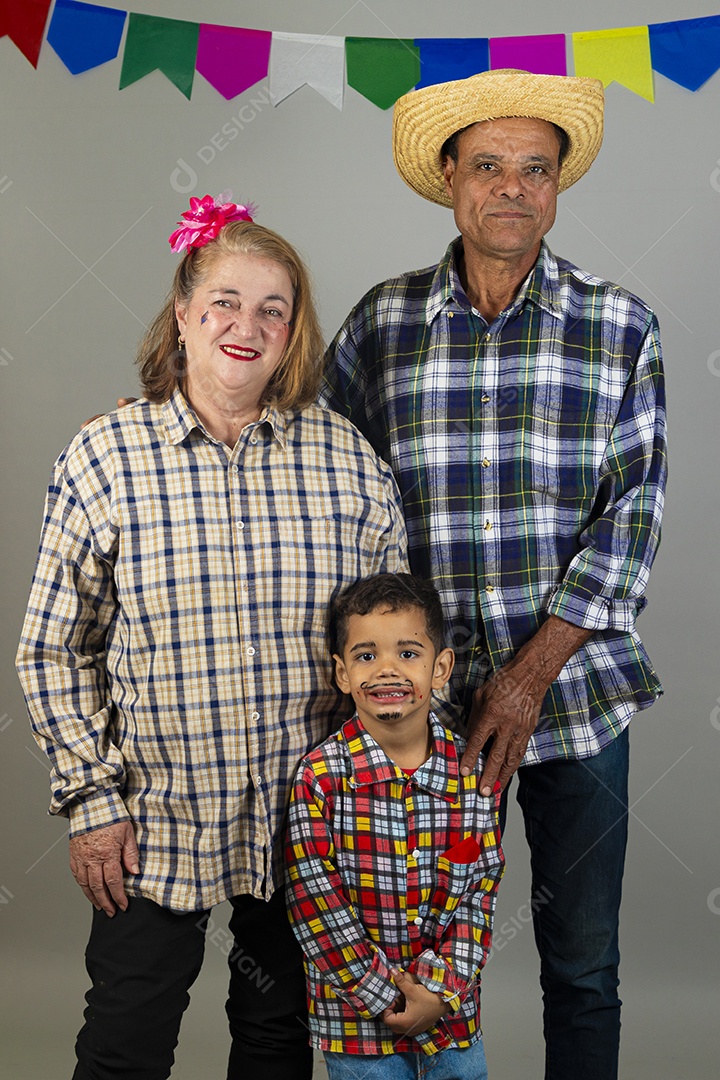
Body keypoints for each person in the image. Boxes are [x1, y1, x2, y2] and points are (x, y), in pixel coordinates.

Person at [321, 71, 667, 1080]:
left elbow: (633, 515)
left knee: (583, 964)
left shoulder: (618, 325)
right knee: (410, 960)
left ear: (556, 188)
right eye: (489, 166)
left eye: (536, 169)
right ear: (449, 179)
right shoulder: (381, 325)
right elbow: (330, 490)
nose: (512, 188)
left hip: (571, 705)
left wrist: (527, 674)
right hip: (407, 716)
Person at [16, 196, 409, 1080]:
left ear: (294, 331)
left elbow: (390, 649)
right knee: (125, 1037)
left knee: (276, 1038)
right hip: (156, 815)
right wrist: (91, 800)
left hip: (307, 818)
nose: (248, 325)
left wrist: (379, 787)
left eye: (275, 308)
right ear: (185, 314)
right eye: (226, 301)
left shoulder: (347, 460)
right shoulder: (105, 455)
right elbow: (54, 647)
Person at [285, 573, 504, 1080]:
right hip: (359, 1029)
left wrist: (437, 990)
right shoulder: (321, 778)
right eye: (366, 656)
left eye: (408, 654)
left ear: (441, 666)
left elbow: (480, 891)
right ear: (341, 673)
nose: (387, 670)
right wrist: (384, 995)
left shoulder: (470, 777)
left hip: (452, 1020)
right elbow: (314, 901)